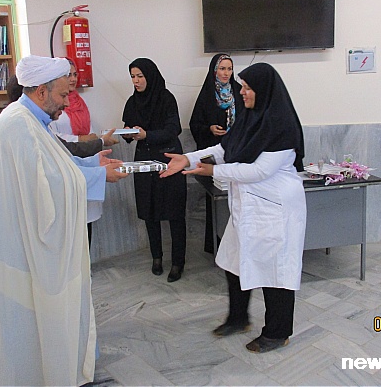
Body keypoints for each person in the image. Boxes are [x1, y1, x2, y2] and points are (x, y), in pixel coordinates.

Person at [0, 55, 129, 386]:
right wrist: (99, 176)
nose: (66, 102)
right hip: (23, 246)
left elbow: (58, 165)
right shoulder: (18, 124)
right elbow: (47, 185)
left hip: (28, 239)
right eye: (63, 95)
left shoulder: (32, 121)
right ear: (41, 91)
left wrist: (93, 165)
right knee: (31, 321)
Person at [161, 62, 306, 353]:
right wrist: (188, 158)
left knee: (275, 272)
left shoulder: (282, 125)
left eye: (248, 88)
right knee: (234, 262)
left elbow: (259, 171)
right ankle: (238, 318)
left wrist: (211, 171)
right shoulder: (250, 118)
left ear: (264, 91)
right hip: (249, 207)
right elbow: (223, 149)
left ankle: (278, 333)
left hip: (275, 210)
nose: (242, 92)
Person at [122, 58, 187, 282]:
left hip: (169, 159)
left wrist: (147, 135)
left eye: (140, 76)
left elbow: (173, 129)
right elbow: (129, 130)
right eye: (133, 76)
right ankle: (156, 257)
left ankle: (178, 262)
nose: (136, 81)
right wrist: (128, 134)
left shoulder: (166, 98)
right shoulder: (132, 102)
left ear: (150, 76)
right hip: (144, 160)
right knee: (149, 211)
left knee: (175, 212)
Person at [49, 59, 119, 246]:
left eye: (74, 74)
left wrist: (97, 140)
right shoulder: (53, 106)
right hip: (66, 165)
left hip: (86, 163)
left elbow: (89, 132)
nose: (72, 79)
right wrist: (83, 139)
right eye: (68, 75)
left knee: (86, 226)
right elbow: (56, 139)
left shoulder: (80, 102)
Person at [189, 53, 243, 253]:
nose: (226, 73)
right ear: (214, 71)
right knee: (216, 201)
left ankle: (238, 244)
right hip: (214, 155)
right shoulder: (207, 95)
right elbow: (195, 124)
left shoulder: (240, 92)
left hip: (237, 154)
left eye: (229, 69)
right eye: (222, 69)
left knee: (238, 199)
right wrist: (209, 129)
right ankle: (216, 245)